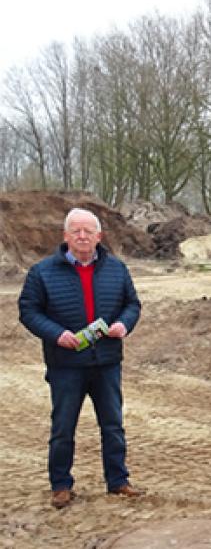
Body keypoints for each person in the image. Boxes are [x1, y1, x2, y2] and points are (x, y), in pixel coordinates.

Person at [18, 208, 143, 509]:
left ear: (99, 236)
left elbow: (132, 304)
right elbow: (29, 311)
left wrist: (124, 324)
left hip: (107, 362)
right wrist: (56, 334)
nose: (83, 236)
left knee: (113, 425)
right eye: (76, 231)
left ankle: (118, 481)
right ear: (65, 236)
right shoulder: (42, 272)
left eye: (88, 231)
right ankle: (60, 485)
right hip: (65, 365)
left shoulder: (117, 269)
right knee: (63, 427)